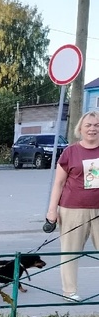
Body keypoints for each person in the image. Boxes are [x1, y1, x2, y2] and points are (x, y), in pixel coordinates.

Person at [46, 110, 99, 302]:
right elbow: (59, 183)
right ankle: (70, 292)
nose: (92, 129)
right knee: (70, 252)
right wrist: (52, 210)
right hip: (72, 209)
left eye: (97, 125)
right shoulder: (70, 152)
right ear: (81, 129)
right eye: (88, 125)